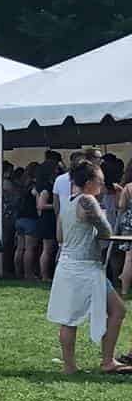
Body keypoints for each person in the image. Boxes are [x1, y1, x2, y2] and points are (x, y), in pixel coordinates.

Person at [46, 159, 127, 376]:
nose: (102, 185)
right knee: (75, 318)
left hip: (69, 264)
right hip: (84, 268)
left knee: (71, 318)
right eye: (99, 180)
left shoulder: (68, 203)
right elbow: (106, 231)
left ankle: (86, 363)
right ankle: (87, 364)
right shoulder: (87, 201)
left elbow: (60, 236)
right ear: (90, 181)